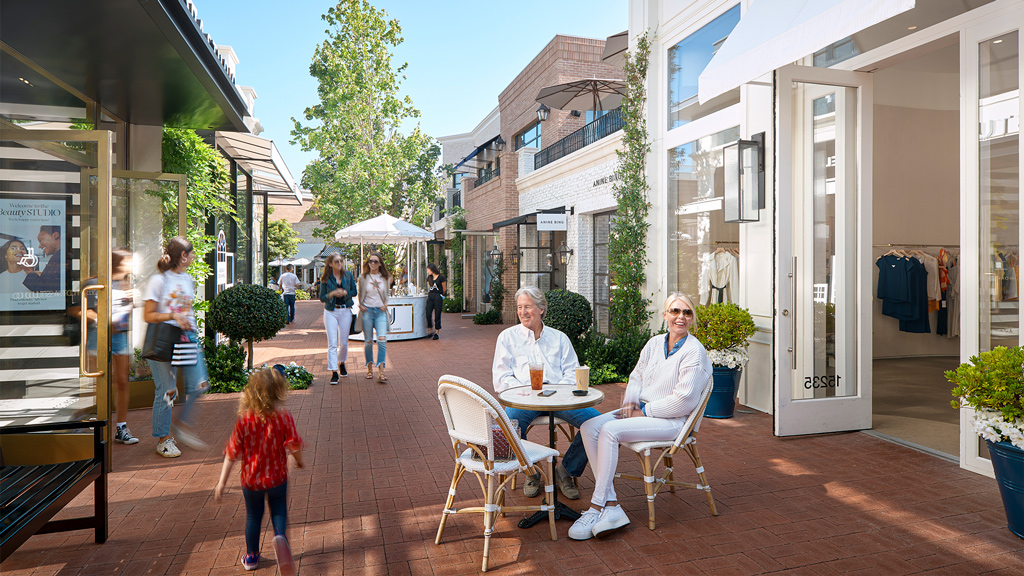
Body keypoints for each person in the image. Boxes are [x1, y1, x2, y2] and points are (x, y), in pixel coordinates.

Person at [567, 292, 712, 541]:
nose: (681, 317)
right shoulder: (655, 343)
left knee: (609, 431)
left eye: (687, 312)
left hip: (673, 422)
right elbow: (636, 376)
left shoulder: (694, 353)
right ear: (665, 314)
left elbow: (684, 401)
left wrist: (643, 411)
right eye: (675, 311)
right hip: (644, 411)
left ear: (692, 318)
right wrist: (631, 405)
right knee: (590, 426)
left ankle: (596, 507)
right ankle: (612, 506)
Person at [492, 286, 598, 500]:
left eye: (528, 307)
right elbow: (501, 377)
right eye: (520, 307)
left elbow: (571, 371)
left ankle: (565, 471)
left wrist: (559, 392)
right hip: (523, 400)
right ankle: (532, 472)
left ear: (541, 309)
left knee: (599, 424)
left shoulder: (559, 338)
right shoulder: (507, 337)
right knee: (509, 427)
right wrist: (524, 392)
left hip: (559, 399)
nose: (523, 312)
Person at [215, 368, 304, 574]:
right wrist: (299, 461)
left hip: (251, 481)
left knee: (253, 517)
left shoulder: (245, 420)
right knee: (279, 511)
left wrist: (222, 482)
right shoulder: (283, 417)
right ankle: (281, 539)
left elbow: (231, 453)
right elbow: (293, 444)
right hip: (277, 478)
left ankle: (252, 556)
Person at [143, 236, 210, 457]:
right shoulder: (158, 281)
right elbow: (148, 315)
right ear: (183, 256)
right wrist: (173, 315)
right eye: (191, 253)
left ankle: (181, 424)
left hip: (186, 337)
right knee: (167, 390)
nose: (193, 256)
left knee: (199, 384)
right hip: (163, 339)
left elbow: (186, 311)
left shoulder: (188, 279)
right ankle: (163, 439)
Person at [77, 248, 139, 445]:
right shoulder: (94, 283)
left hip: (120, 337)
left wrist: (133, 300)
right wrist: (101, 320)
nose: (130, 265)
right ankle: (94, 421)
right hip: (99, 337)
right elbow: (79, 309)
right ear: (118, 263)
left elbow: (127, 310)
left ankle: (121, 427)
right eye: (128, 261)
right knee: (101, 384)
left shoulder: (126, 284)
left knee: (122, 381)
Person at [319, 254, 357, 385]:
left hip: (345, 310)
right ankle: (334, 371)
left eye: (341, 261)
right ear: (330, 264)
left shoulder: (348, 275)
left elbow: (354, 291)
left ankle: (342, 362)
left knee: (344, 343)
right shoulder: (325, 278)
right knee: (332, 343)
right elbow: (322, 298)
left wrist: (346, 292)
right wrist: (332, 293)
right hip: (331, 311)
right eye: (336, 261)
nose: (339, 263)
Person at [358, 252, 391, 383]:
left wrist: (386, 303)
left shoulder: (384, 277)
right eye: (371, 261)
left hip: (380, 312)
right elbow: (360, 292)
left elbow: (387, 293)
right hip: (367, 312)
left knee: (382, 339)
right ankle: (369, 369)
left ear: (380, 263)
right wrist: (360, 304)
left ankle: (381, 371)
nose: (373, 263)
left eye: (375, 261)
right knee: (368, 341)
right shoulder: (363, 277)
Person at [22, 225, 62, 293]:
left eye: (41, 240)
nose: (39, 246)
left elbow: (44, 289)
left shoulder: (57, 258)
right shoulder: (58, 256)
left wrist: (29, 271)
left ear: (55, 235)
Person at [425, 263, 446, 340]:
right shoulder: (429, 278)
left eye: (428, 270)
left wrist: (440, 295)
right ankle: (430, 329)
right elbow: (430, 287)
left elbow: (444, 289)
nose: (427, 271)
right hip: (431, 296)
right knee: (428, 312)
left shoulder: (441, 278)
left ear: (432, 269)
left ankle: (437, 332)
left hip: (438, 296)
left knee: (437, 314)